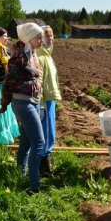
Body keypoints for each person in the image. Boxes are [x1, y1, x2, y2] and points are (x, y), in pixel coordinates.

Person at [0, 23, 45, 194]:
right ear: (28, 38)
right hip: (23, 103)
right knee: (39, 142)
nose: (42, 40)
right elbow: (8, 83)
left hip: (33, 101)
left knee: (26, 141)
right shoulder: (18, 58)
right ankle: (34, 186)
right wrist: (4, 104)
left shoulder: (32, 54)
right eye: (38, 37)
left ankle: (21, 174)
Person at [36, 25, 61, 176]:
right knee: (46, 133)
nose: (50, 39)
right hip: (44, 101)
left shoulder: (47, 55)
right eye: (47, 36)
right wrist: (39, 106)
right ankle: (42, 167)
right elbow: (38, 83)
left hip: (50, 98)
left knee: (50, 132)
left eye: (51, 36)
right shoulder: (39, 56)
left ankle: (44, 164)